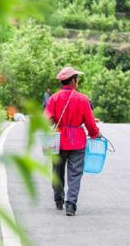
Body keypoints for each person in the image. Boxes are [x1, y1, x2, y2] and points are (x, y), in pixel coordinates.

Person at [44, 66, 101, 216]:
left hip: (58, 140)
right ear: (73, 81)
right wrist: (96, 133)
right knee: (75, 173)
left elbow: (46, 120)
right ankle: (71, 204)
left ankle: (58, 199)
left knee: (57, 171)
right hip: (77, 142)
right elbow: (89, 123)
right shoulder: (83, 99)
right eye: (77, 79)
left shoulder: (53, 98)